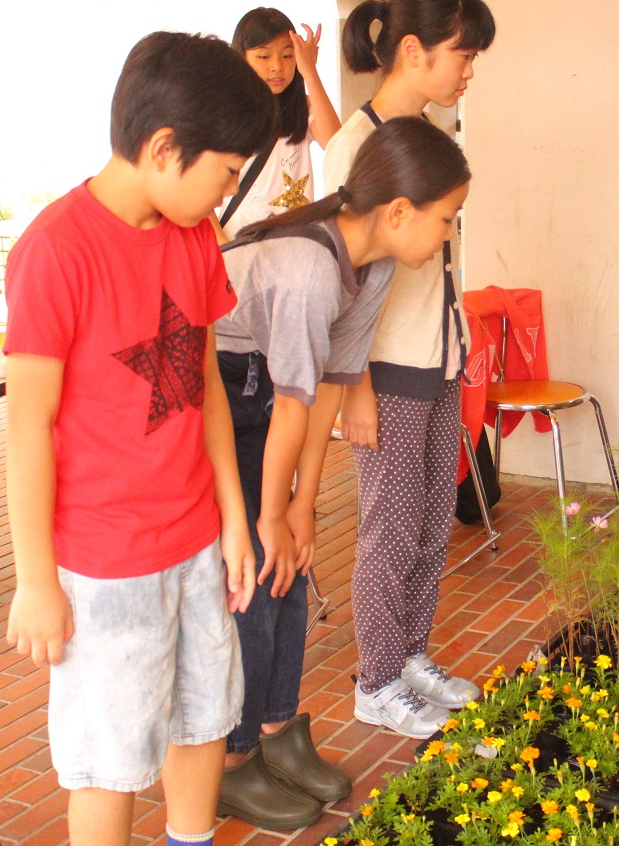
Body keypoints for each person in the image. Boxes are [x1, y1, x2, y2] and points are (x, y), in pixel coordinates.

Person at [3, 31, 269, 846]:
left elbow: (205, 387)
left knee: (203, 720)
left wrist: (232, 514)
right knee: (109, 760)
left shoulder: (190, 237)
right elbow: (25, 431)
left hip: (193, 541)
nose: (225, 198)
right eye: (224, 175)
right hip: (102, 563)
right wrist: (34, 582)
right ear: (164, 148)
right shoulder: (55, 250)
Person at [214, 117, 470, 825]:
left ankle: (275, 731)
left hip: (271, 391)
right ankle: (230, 762)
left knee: (291, 568)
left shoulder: (379, 263)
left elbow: (327, 387)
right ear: (398, 212)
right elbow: (294, 404)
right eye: (446, 219)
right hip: (218, 387)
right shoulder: (306, 271)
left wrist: (303, 507)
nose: (447, 234)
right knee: (255, 577)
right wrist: (274, 514)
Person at [325, 0, 496, 739]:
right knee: (389, 528)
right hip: (383, 370)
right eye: (463, 55)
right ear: (411, 50)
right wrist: (353, 388)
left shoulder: (436, 140)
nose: (468, 71)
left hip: (437, 358)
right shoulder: (352, 148)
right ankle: (377, 678)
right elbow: (338, 285)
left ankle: (410, 656)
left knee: (430, 522)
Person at [218, 7, 342, 241]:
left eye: (287, 55)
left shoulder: (303, 109)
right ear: (241, 57)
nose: (277, 66)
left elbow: (337, 144)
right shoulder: (224, 113)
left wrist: (310, 72)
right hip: (239, 245)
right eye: (264, 56)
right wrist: (223, 248)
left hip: (295, 247)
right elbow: (201, 195)